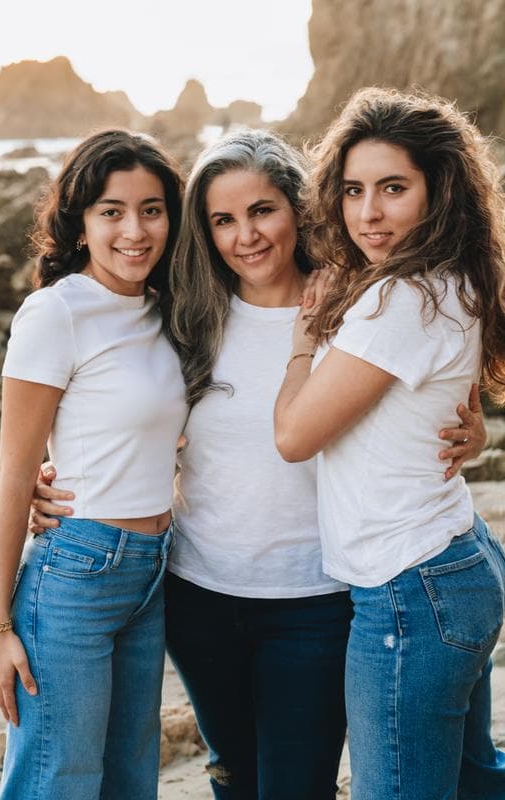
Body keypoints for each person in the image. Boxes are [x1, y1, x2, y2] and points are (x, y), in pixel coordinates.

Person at [30, 128, 487, 800]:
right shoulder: (182, 316)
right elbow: (107, 401)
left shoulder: (356, 305)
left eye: (261, 210)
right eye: (222, 220)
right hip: (198, 595)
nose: (245, 235)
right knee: (233, 775)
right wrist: (53, 474)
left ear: (298, 210)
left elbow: (420, 407)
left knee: (295, 785)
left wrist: (470, 437)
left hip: (316, 601)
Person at [274, 87, 505, 800]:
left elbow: (293, 435)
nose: (368, 213)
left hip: (410, 587)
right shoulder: (455, 280)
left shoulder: (401, 299)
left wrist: (303, 345)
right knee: (470, 784)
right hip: (456, 559)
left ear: (438, 192)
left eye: (393, 189)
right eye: (352, 191)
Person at [0, 129, 187, 800]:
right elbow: (15, 474)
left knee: (130, 777)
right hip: (78, 572)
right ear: (79, 222)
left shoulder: (166, 308)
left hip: (153, 571)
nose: (135, 229)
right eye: (112, 211)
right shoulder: (55, 313)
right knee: (57, 779)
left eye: (151, 209)